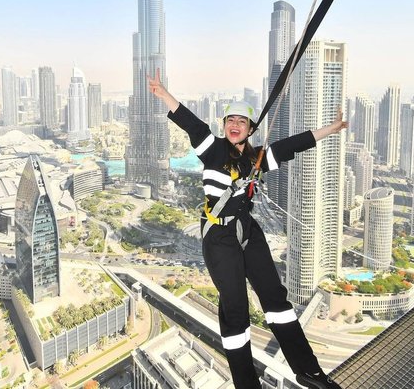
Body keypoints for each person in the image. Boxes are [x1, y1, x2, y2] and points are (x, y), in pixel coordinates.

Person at [148, 69, 346, 389]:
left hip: (247, 230)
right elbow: (191, 122)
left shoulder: (257, 158)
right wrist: (162, 93)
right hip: (219, 235)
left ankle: (307, 370)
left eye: (242, 121)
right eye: (230, 121)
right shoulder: (212, 149)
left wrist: (332, 129)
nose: (235, 125)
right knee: (236, 311)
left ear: (250, 128)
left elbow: (293, 144)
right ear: (224, 126)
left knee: (276, 300)